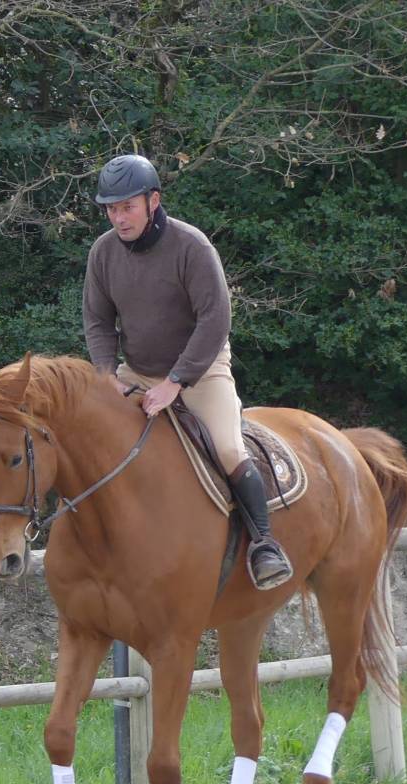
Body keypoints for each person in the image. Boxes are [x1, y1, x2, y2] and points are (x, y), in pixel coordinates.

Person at [82, 153, 293, 590]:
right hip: (135, 370)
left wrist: (176, 382)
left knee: (229, 447)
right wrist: (107, 376)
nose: (118, 218)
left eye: (127, 207)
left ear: (153, 200)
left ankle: (265, 545)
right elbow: (98, 322)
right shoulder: (102, 253)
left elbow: (215, 319)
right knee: (90, 439)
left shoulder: (191, 246)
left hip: (201, 367)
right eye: (111, 208)